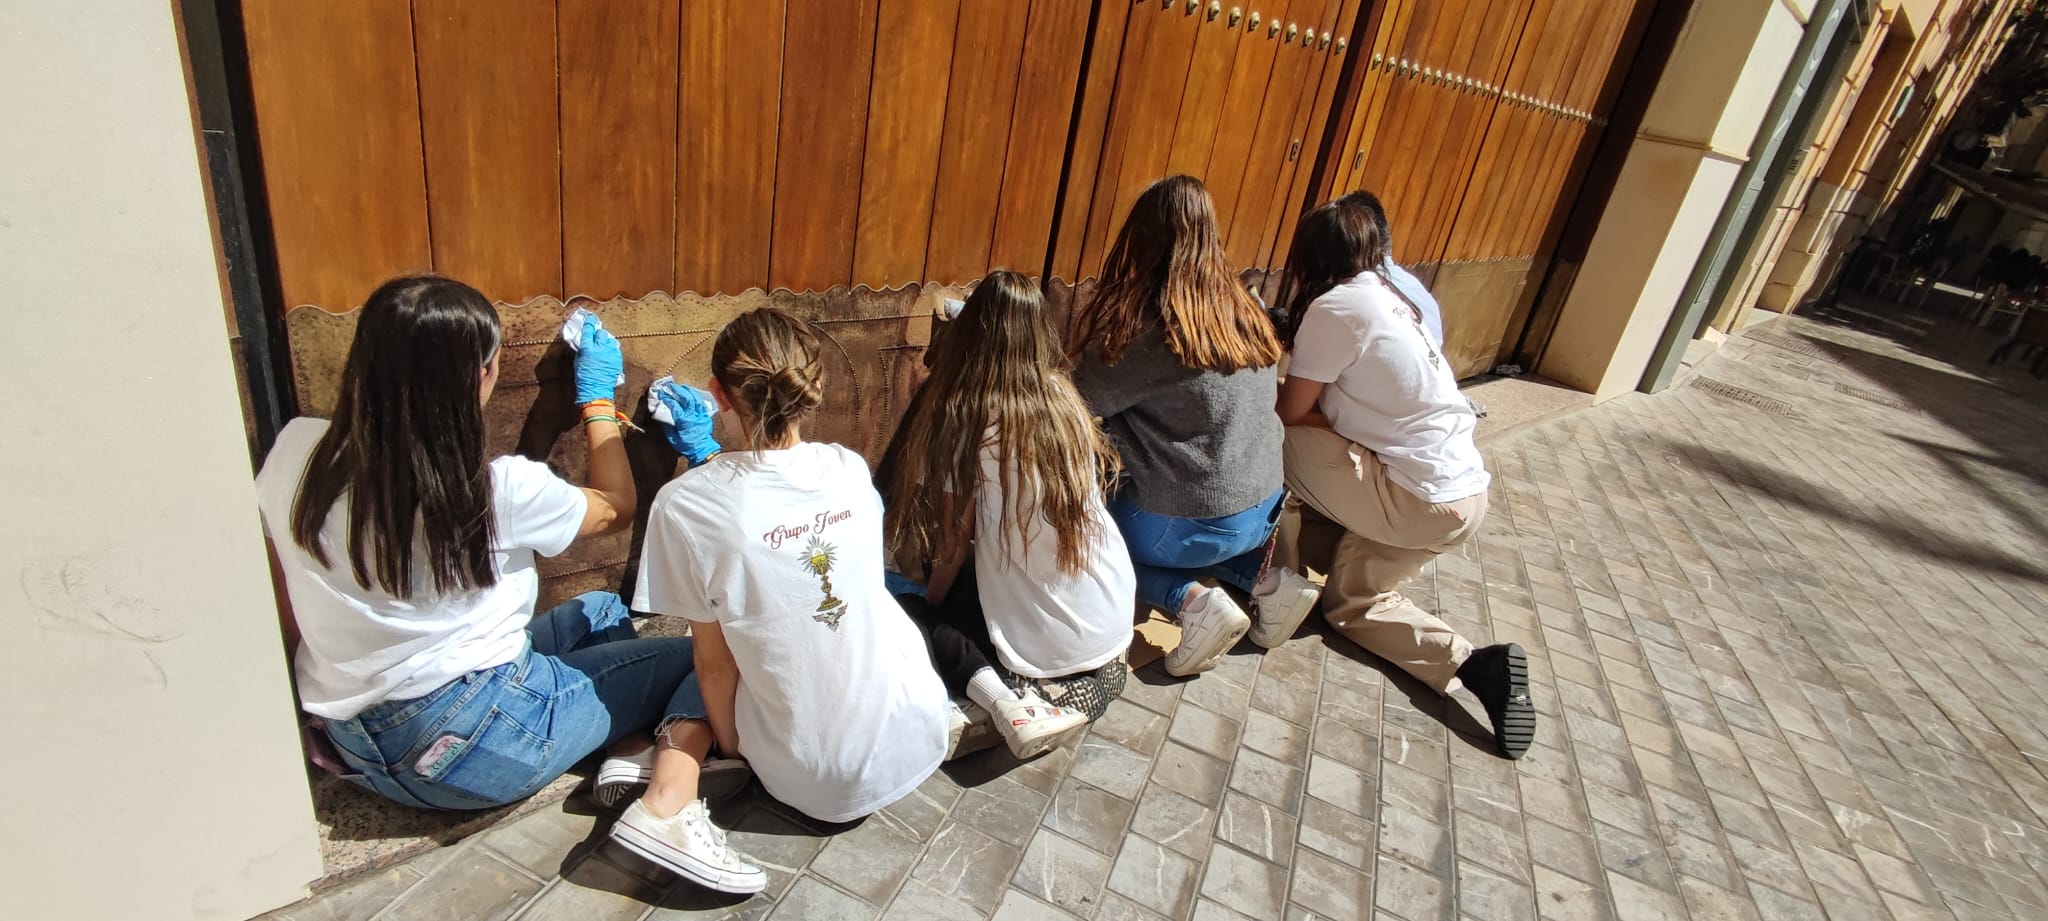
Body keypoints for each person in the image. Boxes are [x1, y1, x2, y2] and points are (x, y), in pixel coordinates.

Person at [255, 276, 764, 893]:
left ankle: (631, 748)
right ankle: (668, 809)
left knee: (603, 609)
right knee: (699, 655)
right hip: (475, 743)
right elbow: (615, 504)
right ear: (481, 376)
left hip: (352, 741)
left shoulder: (297, 451)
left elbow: (284, 581)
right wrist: (597, 400)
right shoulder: (494, 490)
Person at [631, 307, 954, 823]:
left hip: (809, 779)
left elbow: (715, 664)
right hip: (915, 733)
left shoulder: (682, 504)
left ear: (717, 393)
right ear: (812, 384)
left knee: (691, 654)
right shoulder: (847, 468)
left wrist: (737, 750)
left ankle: (669, 766)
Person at [1274, 193, 1536, 759]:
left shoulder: (1335, 308)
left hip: (1414, 499)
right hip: (1461, 492)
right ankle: (1472, 664)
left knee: (1272, 440)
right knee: (1352, 606)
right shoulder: (1397, 297)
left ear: (1310, 255)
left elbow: (1290, 414)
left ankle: (1277, 585)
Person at [1068, 174, 1322, 675]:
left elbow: (1074, 397)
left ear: (1141, 241)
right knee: (1208, 525)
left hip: (1192, 522)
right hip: (1264, 509)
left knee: (1089, 543)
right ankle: (1268, 583)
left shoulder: (1153, 331)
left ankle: (1192, 603)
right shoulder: (1246, 310)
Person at [880, 270, 1130, 758]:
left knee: (916, 613)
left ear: (970, 333)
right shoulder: (1063, 397)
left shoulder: (968, 415)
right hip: (1114, 609)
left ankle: (1002, 702)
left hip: (1050, 646)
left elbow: (952, 545)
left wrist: (930, 604)